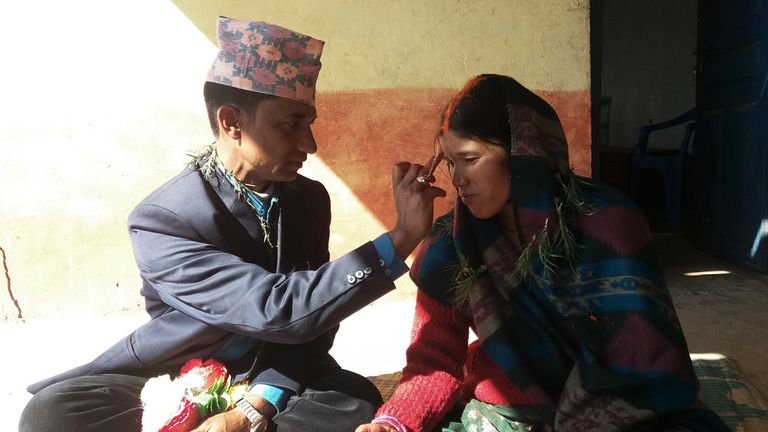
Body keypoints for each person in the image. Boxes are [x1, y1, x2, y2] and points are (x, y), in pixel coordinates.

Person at [19, 16, 444, 432]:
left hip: (274, 374)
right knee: (54, 414)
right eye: (292, 123)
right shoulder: (163, 220)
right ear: (231, 122)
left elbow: (317, 318)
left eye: (309, 123)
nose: (310, 144)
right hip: (178, 377)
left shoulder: (309, 200)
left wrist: (256, 406)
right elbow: (282, 309)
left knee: (353, 399)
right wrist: (401, 236)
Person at [356, 74, 731, 432]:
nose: (457, 180)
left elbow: (644, 357)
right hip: (506, 414)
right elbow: (434, 360)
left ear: (523, 154)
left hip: (621, 415)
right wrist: (394, 422)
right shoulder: (450, 244)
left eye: (470, 160)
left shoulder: (607, 223)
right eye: (450, 163)